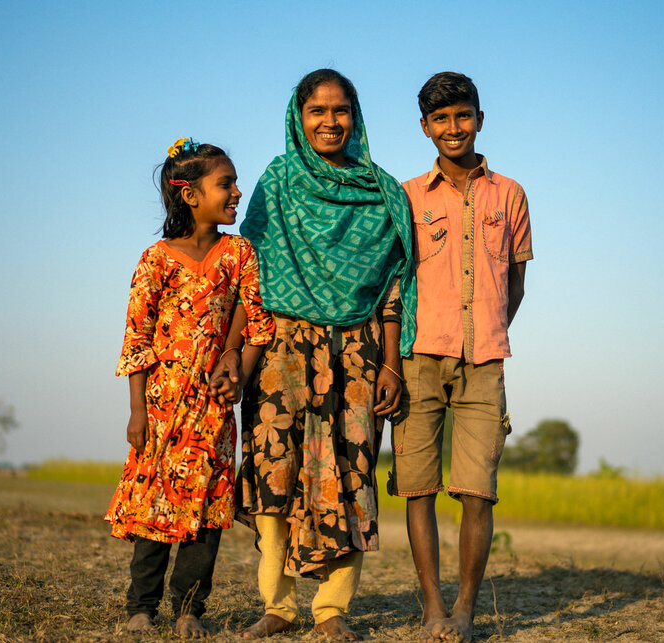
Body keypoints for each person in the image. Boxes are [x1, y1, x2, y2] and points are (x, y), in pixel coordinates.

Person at [233, 69, 416, 640]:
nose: (330, 122)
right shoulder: (278, 181)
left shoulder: (382, 190)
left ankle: (332, 611)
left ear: (355, 118)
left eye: (341, 111)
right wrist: (234, 356)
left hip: (357, 357)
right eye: (318, 111)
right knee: (274, 476)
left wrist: (391, 364)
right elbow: (249, 275)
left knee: (351, 472)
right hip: (281, 352)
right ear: (299, 116)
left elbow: (393, 286)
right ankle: (278, 606)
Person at [105, 138, 274, 638]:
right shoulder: (156, 259)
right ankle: (142, 607)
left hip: (215, 410)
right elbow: (137, 337)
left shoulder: (240, 252)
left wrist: (237, 369)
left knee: (207, 513)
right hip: (161, 409)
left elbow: (257, 319)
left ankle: (189, 611)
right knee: (153, 511)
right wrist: (137, 410)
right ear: (189, 195)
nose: (237, 192)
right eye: (226, 183)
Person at [389, 72, 532, 641]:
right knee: (418, 487)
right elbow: (395, 280)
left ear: (480, 118)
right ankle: (432, 610)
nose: (454, 128)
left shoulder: (510, 194)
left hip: (484, 362)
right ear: (425, 127)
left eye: (463, 116)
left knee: (478, 490)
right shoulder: (405, 196)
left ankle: (466, 611)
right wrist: (391, 362)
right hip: (418, 358)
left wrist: (488, 331)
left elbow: (515, 283)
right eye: (441, 119)